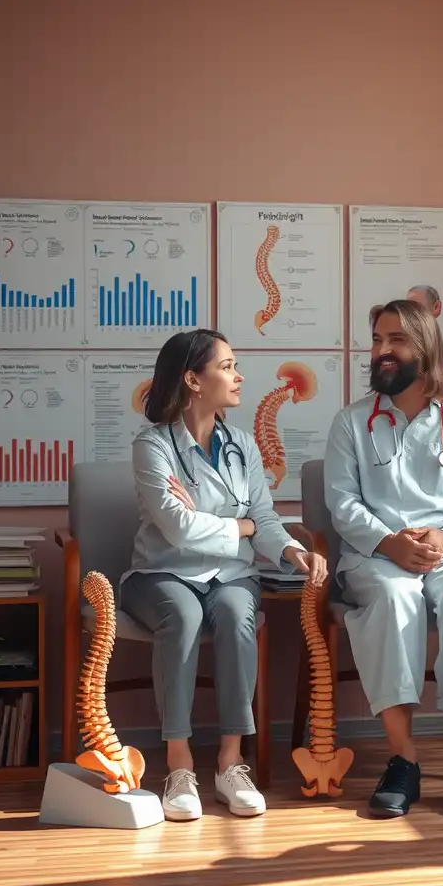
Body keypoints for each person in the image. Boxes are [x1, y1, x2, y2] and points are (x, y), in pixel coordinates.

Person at [120, 329, 327, 822]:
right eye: (228, 366)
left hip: (231, 575)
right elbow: (176, 530)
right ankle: (179, 764)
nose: (238, 376)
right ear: (193, 379)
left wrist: (291, 550)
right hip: (162, 573)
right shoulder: (152, 446)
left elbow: (265, 520)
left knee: (237, 615)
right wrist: (243, 526)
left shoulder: (243, 444)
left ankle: (231, 764)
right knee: (184, 616)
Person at [323, 300, 443, 820]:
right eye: (378, 339)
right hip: (376, 555)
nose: (381, 350)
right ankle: (403, 760)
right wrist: (390, 543)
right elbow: (343, 502)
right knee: (394, 595)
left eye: (395, 340)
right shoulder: (351, 423)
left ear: (424, 348)